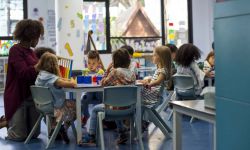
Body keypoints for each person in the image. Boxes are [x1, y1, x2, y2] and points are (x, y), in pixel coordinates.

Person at [83, 48, 136, 145]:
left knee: (95, 109)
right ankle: (122, 131)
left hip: (115, 107)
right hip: (130, 108)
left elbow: (103, 83)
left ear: (114, 61)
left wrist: (107, 70)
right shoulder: (132, 74)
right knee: (116, 105)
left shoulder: (115, 72)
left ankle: (91, 135)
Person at [2, 19, 43, 141]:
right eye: (38, 36)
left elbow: (35, 73)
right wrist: (41, 65)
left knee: (34, 134)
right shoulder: (15, 50)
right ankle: (6, 122)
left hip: (31, 97)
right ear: (31, 36)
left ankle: (8, 121)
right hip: (17, 97)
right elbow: (24, 73)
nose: (39, 39)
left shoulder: (31, 52)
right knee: (19, 136)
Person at [35, 52, 77, 143]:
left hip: (42, 107)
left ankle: (56, 128)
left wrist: (65, 79)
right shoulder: (54, 79)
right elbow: (72, 84)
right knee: (77, 107)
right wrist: (72, 80)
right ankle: (60, 128)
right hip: (55, 108)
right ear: (54, 65)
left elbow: (59, 80)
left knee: (69, 105)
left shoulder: (40, 76)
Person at [138, 46, 172, 130]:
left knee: (137, 102)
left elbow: (158, 82)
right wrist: (148, 81)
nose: (152, 57)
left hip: (153, 98)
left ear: (161, 58)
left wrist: (149, 84)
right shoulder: (159, 70)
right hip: (152, 96)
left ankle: (141, 122)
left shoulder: (162, 71)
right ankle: (143, 121)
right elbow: (155, 81)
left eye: (154, 55)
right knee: (138, 100)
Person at [81, 50, 104, 127]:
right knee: (83, 100)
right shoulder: (85, 71)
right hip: (89, 93)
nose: (91, 65)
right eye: (89, 63)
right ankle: (86, 115)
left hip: (98, 93)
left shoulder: (101, 71)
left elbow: (103, 82)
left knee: (103, 99)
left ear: (98, 63)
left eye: (93, 63)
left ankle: (102, 118)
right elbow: (83, 83)